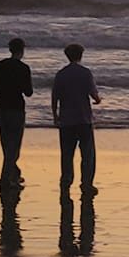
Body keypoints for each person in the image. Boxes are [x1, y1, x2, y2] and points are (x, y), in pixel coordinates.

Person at [50, 43, 102, 195]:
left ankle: (66, 181)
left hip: (66, 120)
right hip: (84, 119)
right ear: (81, 55)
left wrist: (55, 116)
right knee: (88, 155)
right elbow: (93, 94)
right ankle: (86, 183)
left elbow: (55, 97)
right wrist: (98, 100)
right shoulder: (85, 73)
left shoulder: (61, 74)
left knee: (67, 154)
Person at [0, 38, 34, 189]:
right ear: (22, 50)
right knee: (14, 145)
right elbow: (29, 92)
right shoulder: (24, 68)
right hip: (17, 108)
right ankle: (6, 177)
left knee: (6, 144)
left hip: (2, 108)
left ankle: (13, 173)